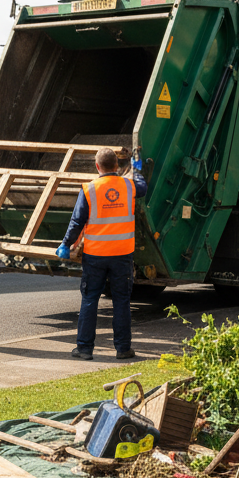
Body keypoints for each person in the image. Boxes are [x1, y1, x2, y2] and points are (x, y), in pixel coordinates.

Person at [57, 148, 147, 360]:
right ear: (117, 166)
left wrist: (65, 244)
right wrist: (137, 170)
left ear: (97, 167)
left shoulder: (89, 189)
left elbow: (76, 222)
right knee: (122, 301)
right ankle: (123, 349)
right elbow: (143, 187)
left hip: (95, 255)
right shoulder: (129, 185)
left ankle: (85, 349)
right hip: (123, 254)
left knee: (90, 300)